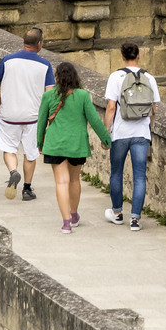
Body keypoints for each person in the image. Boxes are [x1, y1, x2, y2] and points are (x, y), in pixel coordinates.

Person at [35, 60, 111, 232]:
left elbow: (41, 123)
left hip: (55, 144)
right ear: (75, 77)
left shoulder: (48, 96)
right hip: (76, 144)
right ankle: (74, 213)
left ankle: (66, 222)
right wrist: (106, 139)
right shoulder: (82, 96)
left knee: (61, 182)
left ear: (57, 77)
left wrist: (40, 143)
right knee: (75, 180)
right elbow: (95, 120)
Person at [0, 24, 54, 201]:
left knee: (9, 149)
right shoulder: (45, 65)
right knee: (30, 154)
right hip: (33, 117)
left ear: (24, 42)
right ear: (39, 44)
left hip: (8, 115)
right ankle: (27, 189)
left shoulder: (8, 60)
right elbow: (50, 93)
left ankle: (13, 171)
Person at [103, 40, 160, 227]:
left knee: (116, 172)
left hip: (120, 132)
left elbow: (111, 107)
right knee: (139, 176)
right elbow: (153, 109)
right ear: (139, 55)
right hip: (141, 133)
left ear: (122, 56)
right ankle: (135, 219)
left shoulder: (115, 77)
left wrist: (106, 131)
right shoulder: (149, 78)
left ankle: (117, 213)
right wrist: (148, 128)